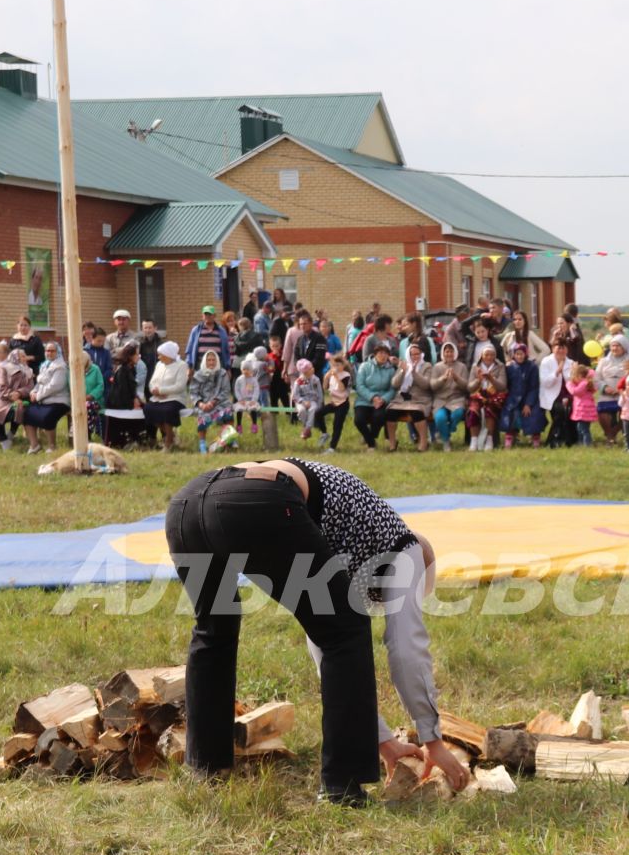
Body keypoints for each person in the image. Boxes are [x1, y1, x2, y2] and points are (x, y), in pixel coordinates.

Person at [163, 459, 468, 807]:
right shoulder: (407, 548)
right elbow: (406, 648)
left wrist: (383, 739)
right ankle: (343, 786)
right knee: (347, 628)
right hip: (256, 501)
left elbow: (325, 644)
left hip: (187, 504)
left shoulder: (355, 539)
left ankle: (206, 769)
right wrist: (432, 740)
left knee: (214, 630)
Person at [23, 341, 71, 454]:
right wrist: (33, 392)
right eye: (47, 350)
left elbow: (55, 386)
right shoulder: (45, 365)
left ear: (57, 352)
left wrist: (38, 396)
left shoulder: (60, 367)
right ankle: (34, 445)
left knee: (47, 417)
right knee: (27, 414)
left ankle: (52, 446)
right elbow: (39, 382)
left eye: (52, 351)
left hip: (59, 400)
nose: (48, 353)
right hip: (44, 400)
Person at [146, 339, 190, 451]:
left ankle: (168, 442)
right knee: (148, 409)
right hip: (158, 397)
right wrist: (154, 391)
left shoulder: (182, 365)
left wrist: (162, 391)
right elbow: (152, 382)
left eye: (161, 355)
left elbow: (180, 386)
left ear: (168, 355)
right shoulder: (159, 365)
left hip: (175, 398)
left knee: (167, 410)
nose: (159, 357)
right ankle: (172, 437)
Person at [388, 344, 432, 452]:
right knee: (390, 413)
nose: (416, 356)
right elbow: (394, 384)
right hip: (402, 399)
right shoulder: (404, 365)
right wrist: (403, 371)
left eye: (418, 354)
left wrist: (414, 373)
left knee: (417, 413)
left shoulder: (427, 366)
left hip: (419, 398)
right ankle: (392, 443)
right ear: (409, 355)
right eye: (413, 354)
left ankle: (423, 442)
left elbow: (426, 385)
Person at [353, 342, 396, 450]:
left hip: (382, 400)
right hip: (364, 400)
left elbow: (393, 388)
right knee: (359, 420)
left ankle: (370, 442)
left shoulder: (391, 369)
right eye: (380, 353)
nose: (383, 356)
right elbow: (359, 385)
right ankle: (371, 442)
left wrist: (383, 399)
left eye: (386, 353)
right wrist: (372, 397)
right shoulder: (365, 366)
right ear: (375, 354)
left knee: (379, 417)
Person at [189, 349, 233, 452]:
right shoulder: (198, 375)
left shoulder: (222, 373)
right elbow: (193, 392)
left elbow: (226, 390)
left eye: (214, 360)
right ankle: (202, 445)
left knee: (228, 413)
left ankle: (226, 442)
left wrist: (213, 401)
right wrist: (201, 404)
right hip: (203, 404)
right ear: (205, 361)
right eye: (209, 360)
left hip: (219, 402)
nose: (211, 362)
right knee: (202, 418)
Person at [467, 343, 507, 452]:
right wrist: (478, 380)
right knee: (473, 410)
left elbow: (503, 385)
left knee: (490, 409)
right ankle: (474, 440)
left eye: (492, 355)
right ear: (482, 356)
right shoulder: (476, 367)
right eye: (486, 355)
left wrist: (491, 379)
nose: (489, 357)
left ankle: (489, 439)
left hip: (494, 395)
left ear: (495, 356)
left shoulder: (500, 366)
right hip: (478, 394)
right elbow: (469, 387)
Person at [504, 343, 544, 447]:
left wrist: (528, 404)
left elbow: (534, 387)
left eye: (521, 354)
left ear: (526, 354)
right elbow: (507, 386)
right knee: (511, 412)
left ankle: (535, 436)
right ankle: (510, 435)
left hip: (529, 398)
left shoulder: (533, 367)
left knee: (535, 413)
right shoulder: (509, 368)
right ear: (513, 355)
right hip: (513, 398)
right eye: (517, 354)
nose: (519, 356)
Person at [186, 306, 232, 373]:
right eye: (205, 314)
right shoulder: (196, 330)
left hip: (217, 365)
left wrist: (228, 368)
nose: (207, 316)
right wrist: (189, 366)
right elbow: (189, 350)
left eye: (210, 314)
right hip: (200, 366)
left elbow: (226, 350)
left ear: (214, 316)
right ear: (202, 316)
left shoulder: (221, 331)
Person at [567, 362, 598, 446]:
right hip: (585, 410)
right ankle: (581, 443)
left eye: (575, 376)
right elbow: (591, 372)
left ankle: (587, 443)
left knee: (583, 428)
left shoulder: (584, 383)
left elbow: (575, 392)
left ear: (580, 376)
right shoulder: (586, 382)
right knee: (581, 428)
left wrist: (569, 384)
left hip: (583, 410)